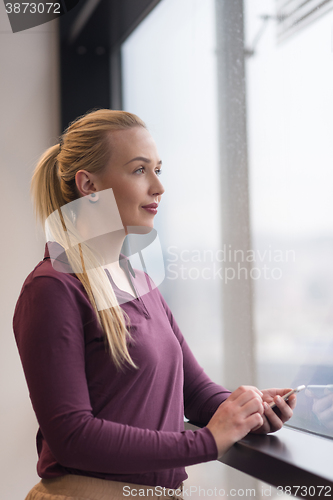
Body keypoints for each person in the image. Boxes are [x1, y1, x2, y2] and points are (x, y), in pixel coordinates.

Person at [13, 109, 297, 500]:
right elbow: (73, 437)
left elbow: (195, 395)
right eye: (139, 170)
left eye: (158, 169)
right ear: (88, 185)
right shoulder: (52, 288)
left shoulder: (140, 282)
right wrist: (208, 443)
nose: (158, 187)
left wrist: (250, 410)